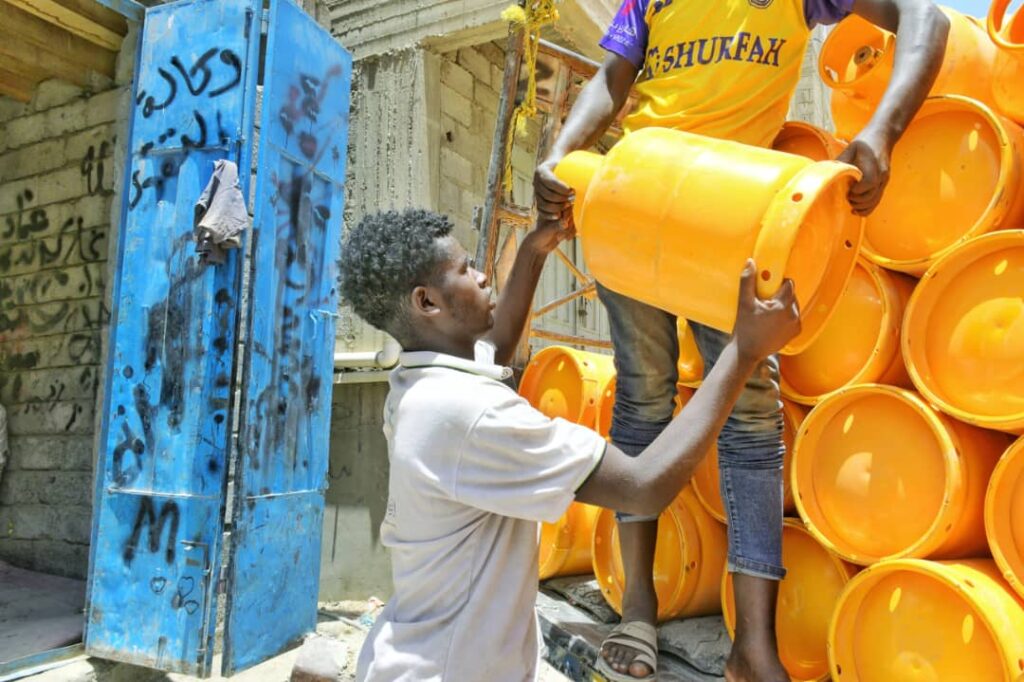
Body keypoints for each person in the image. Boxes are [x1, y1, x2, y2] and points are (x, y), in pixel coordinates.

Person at [532, 1, 949, 680]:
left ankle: (752, 648)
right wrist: (560, 153)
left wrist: (881, 130)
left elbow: (923, 17)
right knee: (642, 401)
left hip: (733, 220)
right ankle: (637, 609)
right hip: (633, 201)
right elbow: (612, 77)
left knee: (752, 415)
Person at [344, 208, 801, 681]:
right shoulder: (469, 413)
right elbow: (641, 486)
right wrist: (742, 351)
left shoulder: (420, 382)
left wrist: (534, 251)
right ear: (427, 303)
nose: (481, 276)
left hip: (423, 653)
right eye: (464, 270)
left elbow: (496, 348)